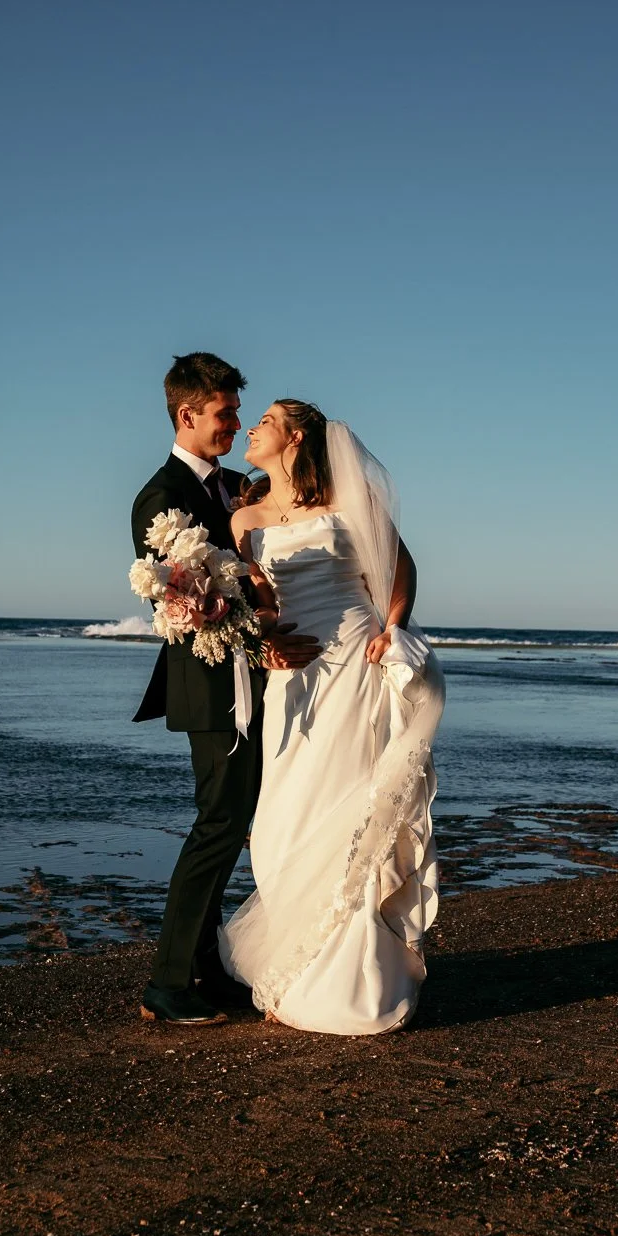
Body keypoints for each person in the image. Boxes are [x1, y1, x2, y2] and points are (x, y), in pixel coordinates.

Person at [218, 400, 445, 1034]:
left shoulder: (351, 503)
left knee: (348, 807)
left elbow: (402, 571)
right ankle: (296, 964)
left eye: (265, 420)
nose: (253, 428)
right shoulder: (244, 520)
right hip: (292, 679)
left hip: (352, 663)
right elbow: (259, 604)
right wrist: (260, 636)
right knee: (283, 819)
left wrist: (392, 630)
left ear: (295, 437)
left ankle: (350, 980)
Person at [130, 353, 320, 1026]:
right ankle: (167, 982)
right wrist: (261, 642)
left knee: (232, 823)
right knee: (218, 825)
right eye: (225, 413)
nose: (236, 424)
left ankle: (205, 970)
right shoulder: (160, 499)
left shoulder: (240, 487)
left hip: (255, 682)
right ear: (188, 414)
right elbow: (186, 603)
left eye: (240, 412)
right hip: (213, 687)